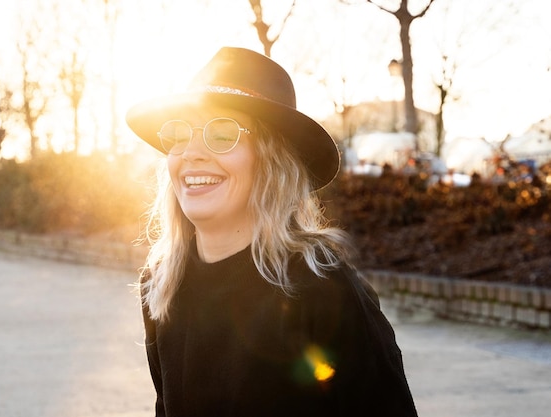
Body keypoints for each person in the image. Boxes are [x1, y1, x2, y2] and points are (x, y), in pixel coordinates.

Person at [126, 46, 418, 417]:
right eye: (180, 134)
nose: (192, 152)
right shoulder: (162, 283)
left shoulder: (323, 288)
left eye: (222, 133)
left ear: (271, 160)